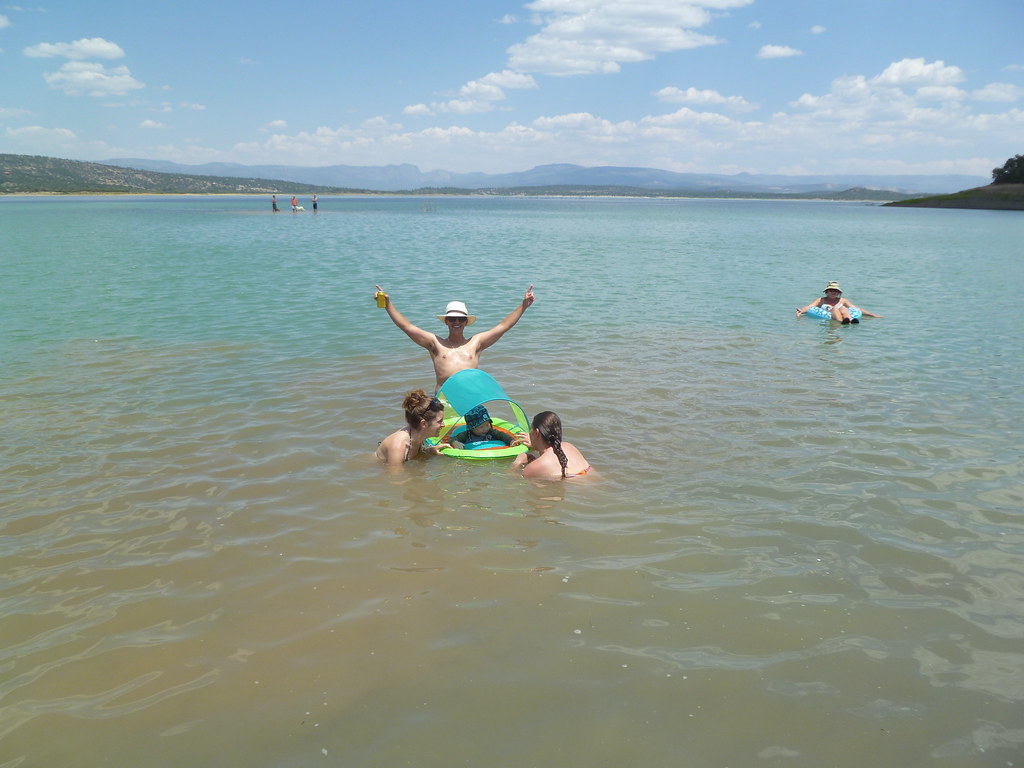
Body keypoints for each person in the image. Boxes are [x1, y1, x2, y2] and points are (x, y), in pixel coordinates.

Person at [374, 284, 535, 391]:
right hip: (443, 401)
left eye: (460, 319)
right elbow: (407, 327)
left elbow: (503, 327)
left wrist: (523, 306)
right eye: (452, 319)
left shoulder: (476, 343)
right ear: (446, 321)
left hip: (471, 398)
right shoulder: (435, 343)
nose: (456, 322)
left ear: (466, 321)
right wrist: (388, 305)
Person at [375, 389, 450, 467]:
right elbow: (395, 477)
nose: (443, 425)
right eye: (439, 421)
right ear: (423, 423)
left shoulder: (417, 435)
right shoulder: (398, 446)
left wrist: (430, 451)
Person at [511, 411, 592, 479]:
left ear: (537, 432)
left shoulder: (536, 466)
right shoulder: (569, 446)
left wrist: (518, 462)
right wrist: (535, 444)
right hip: (592, 479)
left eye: (530, 430)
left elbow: (512, 479)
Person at [796, 281, 883, 324]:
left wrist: (873, 315)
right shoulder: (821, 300)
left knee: (842, 307)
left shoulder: (842, 300)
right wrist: (801, 311)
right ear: (827, 292)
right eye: (831, 290)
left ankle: (850, 320)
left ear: (838, 293)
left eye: (836, 291)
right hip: (831, 315)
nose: (833, 292)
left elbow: (856, 308)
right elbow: (810, 307)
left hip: (843, 313)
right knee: (834, 308)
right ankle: (841, 322)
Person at [450, 405, 523, 449]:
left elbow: (502, 435)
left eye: (487, 425)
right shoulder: (466, 435)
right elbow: (452, 439)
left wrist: (511, 441)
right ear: (472, 427)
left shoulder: (490, 432)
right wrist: (455, 443)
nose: (485, 429)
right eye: (481, 427)